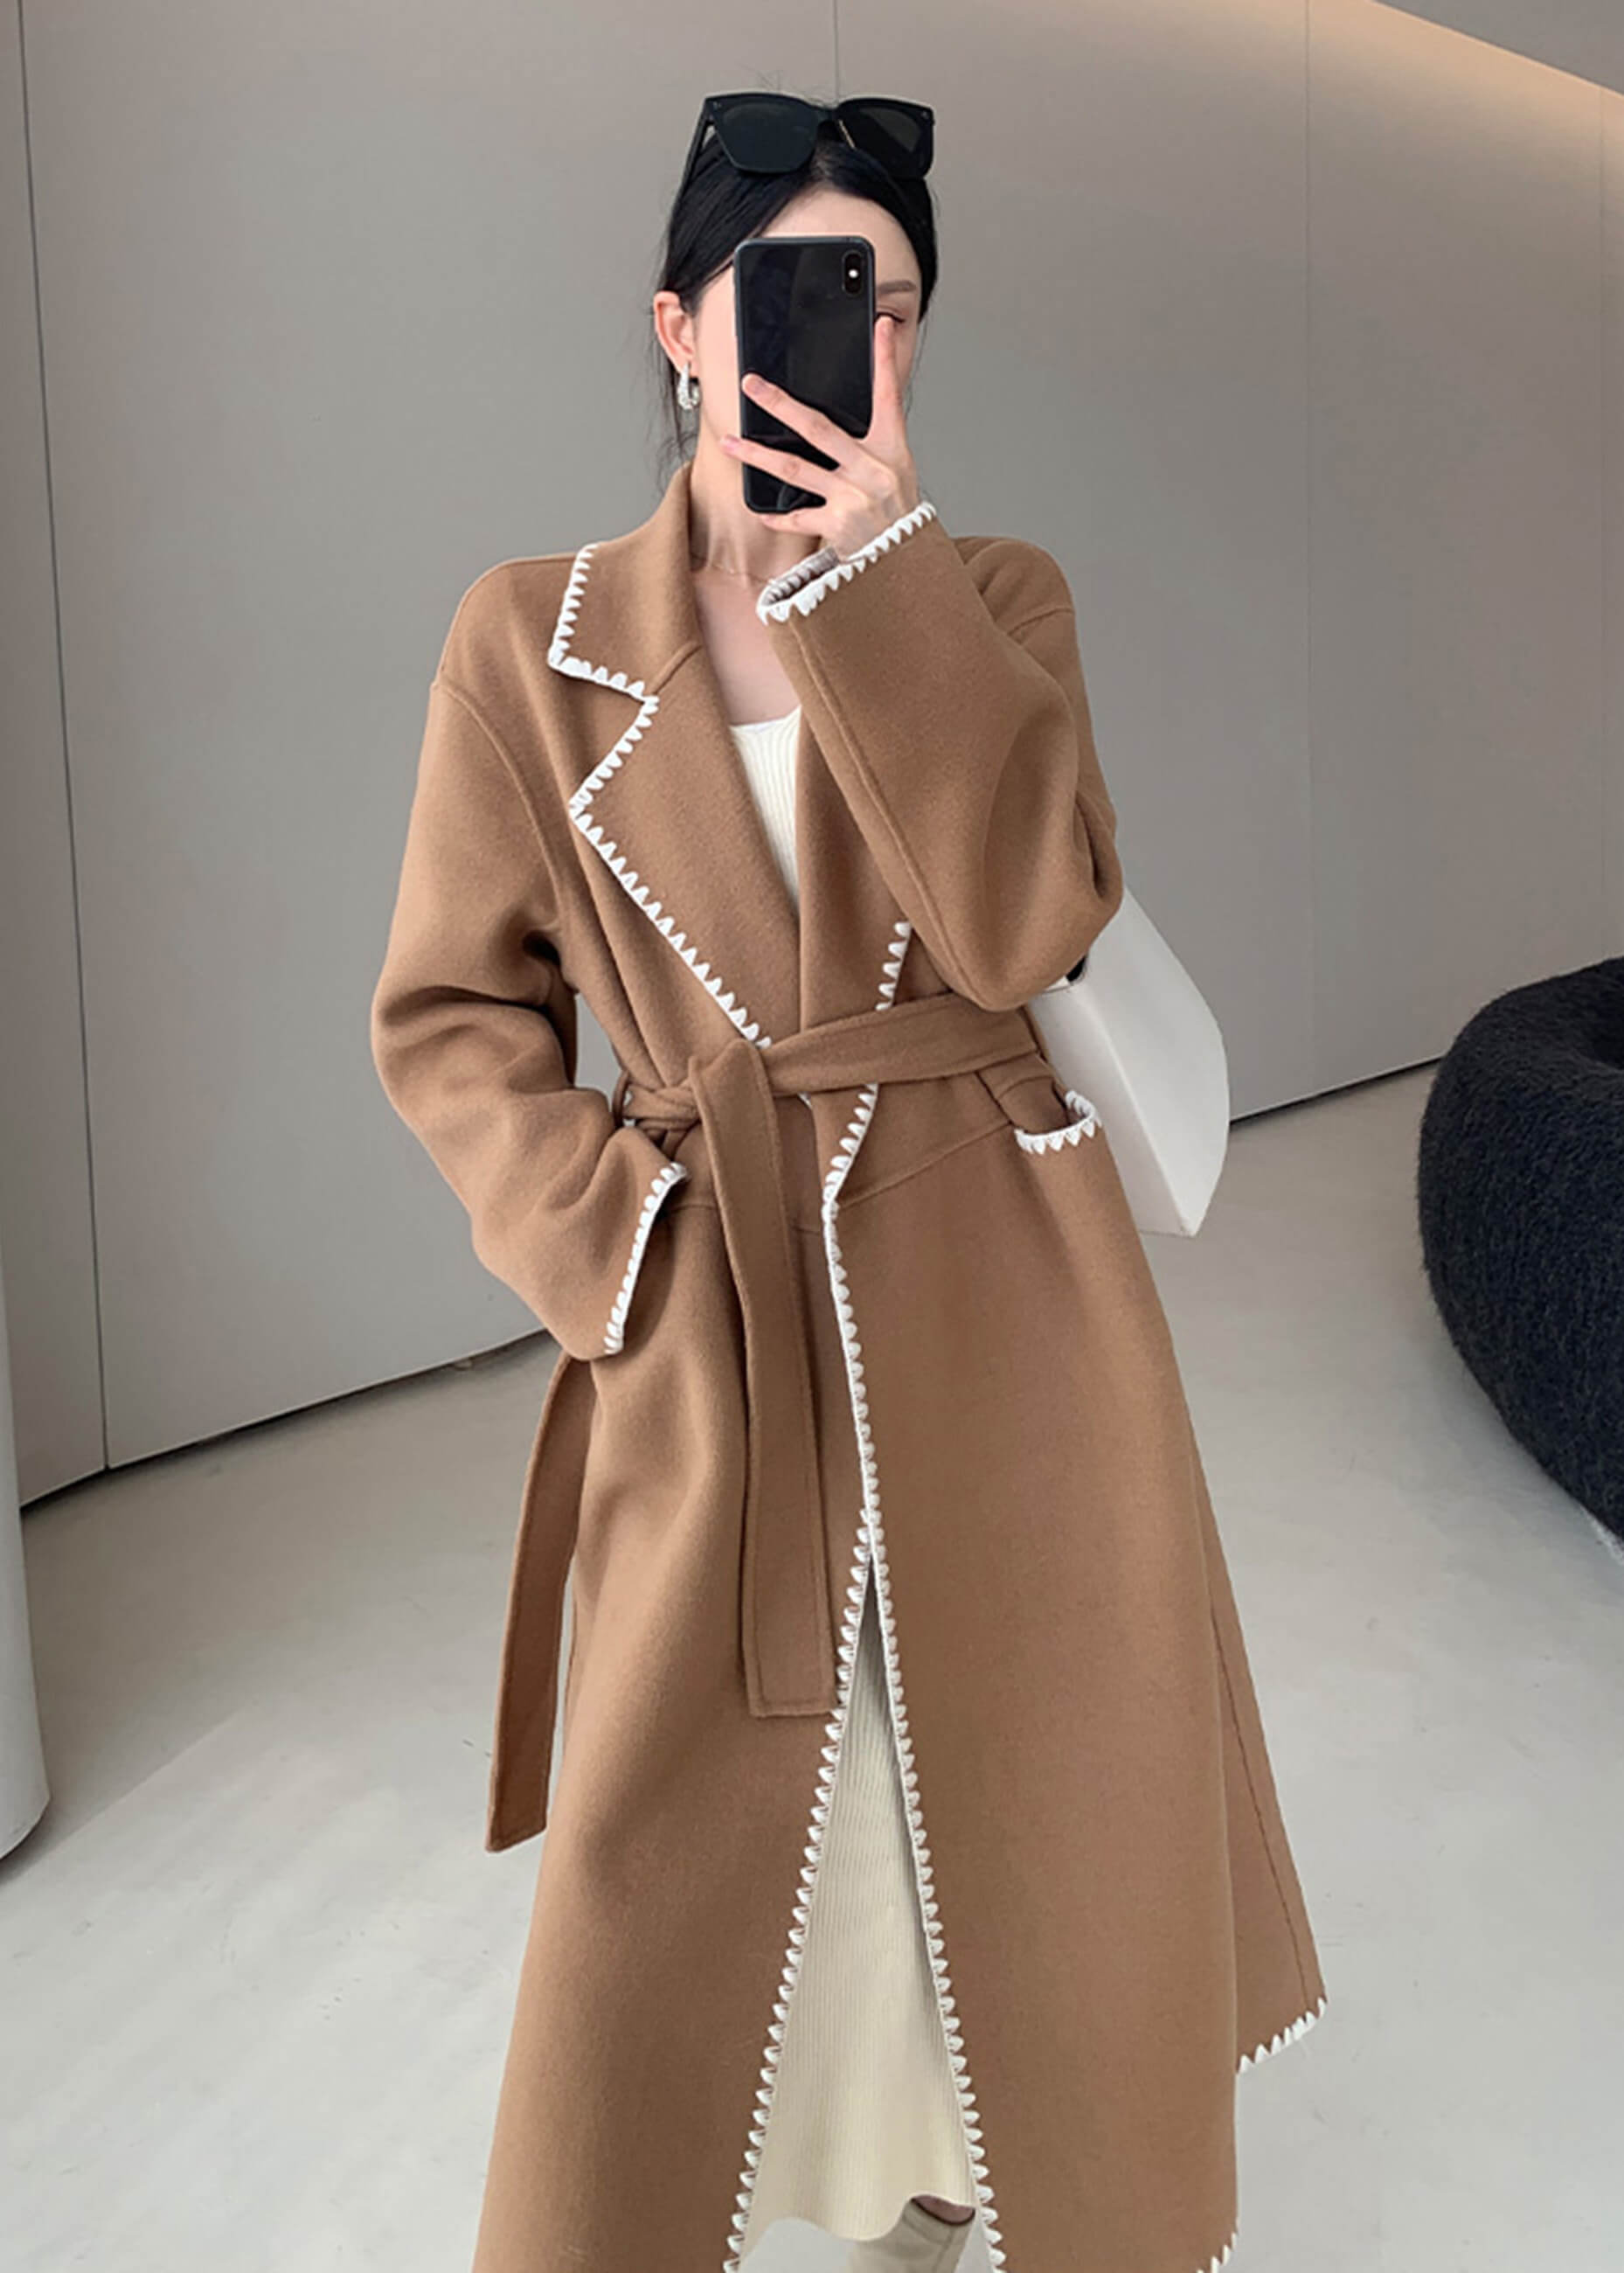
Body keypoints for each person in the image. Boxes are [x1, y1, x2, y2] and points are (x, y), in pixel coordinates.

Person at [369, 89, 1328, 2273]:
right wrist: (613, 1245)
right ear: (680, 328)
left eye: (882, 303)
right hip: (714, 1304)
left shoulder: (990, 598)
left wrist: (877, 600)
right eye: (789, 292)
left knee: (1004, 1773)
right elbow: (449, 1015)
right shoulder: (528, 640)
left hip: (1007, 1284)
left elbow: (1024, 925)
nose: (842, 337)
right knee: (719, 1804)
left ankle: (967, 2169)